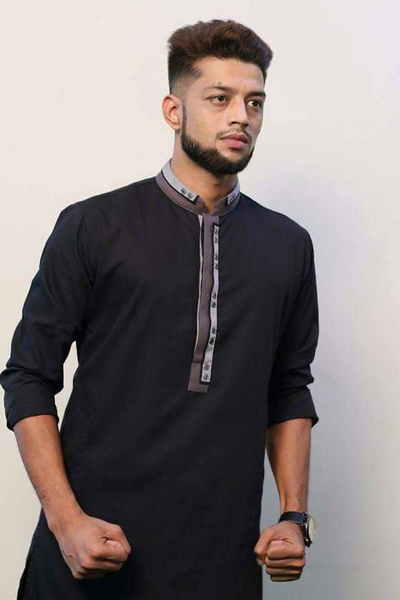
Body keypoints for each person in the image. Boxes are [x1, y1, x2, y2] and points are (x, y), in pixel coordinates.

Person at [0, 18, 320, 600]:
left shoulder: (288, 245)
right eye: (219, 99)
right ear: (174, 111)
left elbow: (289, 388)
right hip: (93, 549)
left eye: (254, 102)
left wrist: (293, 517)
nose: (241, 117)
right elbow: (27, 378)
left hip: (221, 559)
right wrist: (66, 522)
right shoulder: (93, 226)